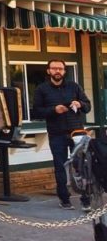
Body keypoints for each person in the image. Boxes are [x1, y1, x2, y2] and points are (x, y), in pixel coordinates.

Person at [31, 59, 91, 211]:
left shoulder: (74, 86)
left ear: (64, 71)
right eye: (54, 68)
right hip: (56, 133)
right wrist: (53, 110)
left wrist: (80, 104)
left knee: (81, 166)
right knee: (60, 167)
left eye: (61, 69)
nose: (58, 71)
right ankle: (65, 199)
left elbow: (88, 106)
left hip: (76, 132)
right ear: (48, 71)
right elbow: (36, 111)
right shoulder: (41, 89)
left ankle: (86, 200)